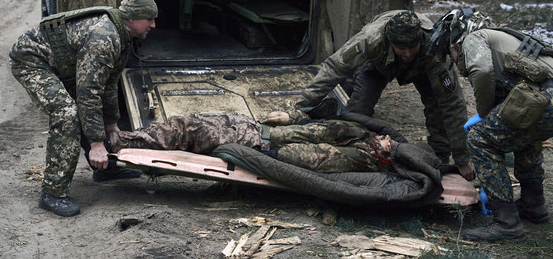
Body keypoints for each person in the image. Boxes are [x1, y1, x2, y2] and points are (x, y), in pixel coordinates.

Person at [429, 8, 553, 242]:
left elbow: (483, 70)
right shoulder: (506, 39)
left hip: (551, 98)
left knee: (480, 139)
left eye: (452, 53)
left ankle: (506, 223)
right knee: (522, 132)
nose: (454, 59)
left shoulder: (475, 37)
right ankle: (533, 205)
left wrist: (484, 113)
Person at [9, 0, 158, 217]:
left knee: (87, 111)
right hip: (33, 60)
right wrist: (97, 143)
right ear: (132, 18)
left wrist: (111, 125)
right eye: (149, 19)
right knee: (67, 114)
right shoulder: (105, 37)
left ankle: (105, 169)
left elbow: (108, 85)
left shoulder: (124, 36)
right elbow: (88, 92)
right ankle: (53, 193)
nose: (154, 25)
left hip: (62, 65)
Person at [295, 10, 475, 180]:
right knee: (359, 109)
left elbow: (452, 105)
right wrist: (304, 105)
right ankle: (354, 153)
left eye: (412, 46)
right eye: (401, 48)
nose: (407, 53)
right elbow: (335, 68)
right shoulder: (371, 38)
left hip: (422, 66)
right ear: (390, 41)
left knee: (437, 109)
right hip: (379, 64)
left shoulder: (435, 49)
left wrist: (462, 158)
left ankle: (438, 159)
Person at [108, 112, 397, 174]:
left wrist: (269, 154)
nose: (386, 138)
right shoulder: (360, 133)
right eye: (387, 136)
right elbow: (317, 123)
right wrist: (289, 115)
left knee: (189, 131)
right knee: (189, 120)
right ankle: (124, 139)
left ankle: (117, 143)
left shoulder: (359, 157)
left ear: (386, 156)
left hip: (258, 141)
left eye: (389, 143)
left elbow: (311, 158)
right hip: (258, 127)